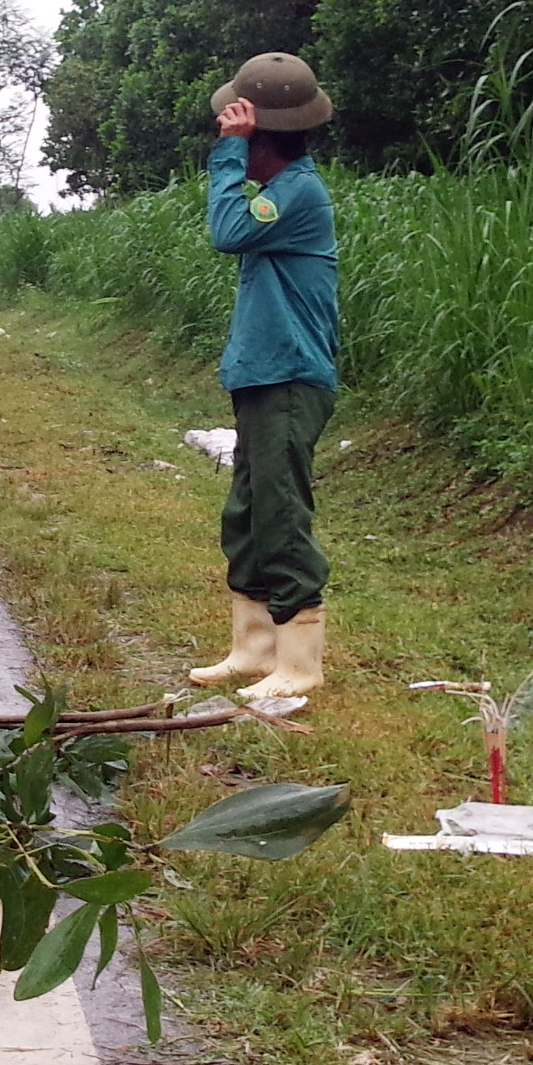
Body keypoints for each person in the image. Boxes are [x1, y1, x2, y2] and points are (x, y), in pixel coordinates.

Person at [187, 52, 339, 698]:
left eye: (244, 133)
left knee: (279, 515)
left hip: (291, 376)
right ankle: (253, 649)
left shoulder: (298, 192)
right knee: (248, 513)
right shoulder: (277, 192)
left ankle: (300, 665)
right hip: (262, 374)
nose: (233, 142)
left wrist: (227, 154)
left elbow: (226, 230)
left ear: (263, 139)